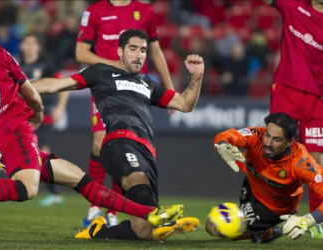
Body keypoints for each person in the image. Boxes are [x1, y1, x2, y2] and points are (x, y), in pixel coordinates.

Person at [0, 9, 184, 232]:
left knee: (79, 178)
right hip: (17, 132)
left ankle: (152, 213)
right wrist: (37, 113)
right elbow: (30, 92)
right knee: (27, 188)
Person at [33, 29, 203, 241]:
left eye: (143, 50)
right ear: (120, 51)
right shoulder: (101, 72)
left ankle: (98, 232)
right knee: (137, 179)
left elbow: (185, 104)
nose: (139, 54)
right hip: (119, 143)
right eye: (133, 48)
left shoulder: (147, 83)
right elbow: (56, 84)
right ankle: (163, 216)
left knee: (144, 231)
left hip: (147, 153)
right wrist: (18, 86)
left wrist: (197, 76)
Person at [75, 0, 175, 227]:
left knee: (127, 148)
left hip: (136, 90)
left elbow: (156, 51)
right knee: (100, 143)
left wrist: (169, 89)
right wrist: (115, 65)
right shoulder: (94, 11)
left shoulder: (146, 11)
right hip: (106, 87)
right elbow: (81, 52)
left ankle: (112, 210)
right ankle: (95, 206)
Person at [262, 0, 323, 238]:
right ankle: (277, 214)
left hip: (317, 97)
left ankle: (318, 219)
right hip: (286, 88)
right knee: (277, 152)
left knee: (316, 158)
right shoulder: (292, 5)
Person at [213, 112, 323, 243]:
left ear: (290, 142)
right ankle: (261, 232)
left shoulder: (302, 163)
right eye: (268, 135)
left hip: (274, 208)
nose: (268, 143)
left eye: (277, 139)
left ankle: (272, 230)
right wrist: (221, 143)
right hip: (251, 186)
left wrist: (307, 220)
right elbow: (225, 136)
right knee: (227, 227)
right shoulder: (256, 136)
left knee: (228, 232)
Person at [19, 33, 69, 207]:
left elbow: (64, 84)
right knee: (33, 149)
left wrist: (60, 106)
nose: (30, 46)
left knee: (41, 148)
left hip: (43, 112)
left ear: (39, 47)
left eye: (33, 43)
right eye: (27, 42)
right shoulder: (18, 65)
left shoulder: (46, 64)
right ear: (22, 46)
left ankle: (54, 191)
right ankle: (44, 188)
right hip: (25, 115)